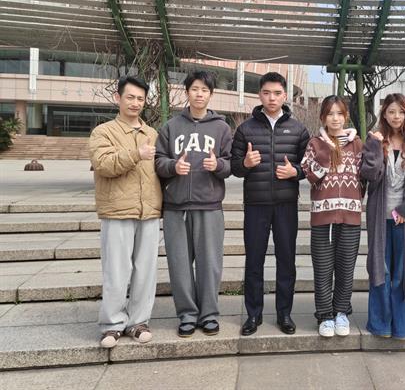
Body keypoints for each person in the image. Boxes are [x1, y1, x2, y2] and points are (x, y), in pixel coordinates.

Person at [231, 72, 310, 336]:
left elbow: (309, 166)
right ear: (259, 95)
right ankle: (253, 315)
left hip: (286, 205)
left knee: (286, 260)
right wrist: (245, 163)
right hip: (256, 204)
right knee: (254, 261)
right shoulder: (245, 129)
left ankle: (284, 314)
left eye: (277, 93)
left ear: (285, 95)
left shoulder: (298, 130)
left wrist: (295, 172)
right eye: (266, 93)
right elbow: (234, 167)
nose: (272, 98)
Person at [155, 71, 232, 338]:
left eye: (205, 90)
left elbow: (230, 164)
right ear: (187, 92)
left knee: (210, 264)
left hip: (209, 205)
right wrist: (173, 166)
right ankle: (187, 315)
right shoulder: (170, 126)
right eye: (195, 89)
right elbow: (158, 161)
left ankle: (209, 315)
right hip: (176, 207)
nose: (199, 94)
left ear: (211, 94)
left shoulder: (222, 128)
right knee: (179, 264)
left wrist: (217, 165)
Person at [89, 76, 162, 348]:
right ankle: (112, 324)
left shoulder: (152, 133)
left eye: (140, 99)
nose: (135, 103)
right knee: (116, 270)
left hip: (149, 210)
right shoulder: (103, 132)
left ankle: (139, 322)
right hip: (117, 210)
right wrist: (135, 154)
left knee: (146, 271)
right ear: (118, 98)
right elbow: (103, 164)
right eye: (130, 97)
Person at [361, 93, 405, 340]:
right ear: (384, 114)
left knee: (402, 272)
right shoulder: (375, 140)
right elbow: (369, 175)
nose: (396, 116)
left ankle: (401, 326)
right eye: (391, 111)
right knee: (380, 269)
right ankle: (380, 324)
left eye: (401, 112)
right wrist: (374, 147)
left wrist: (404, 209)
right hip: (379, 217)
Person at [300, 95, 364, 338]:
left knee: (346, 267)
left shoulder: (356, 144)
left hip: (350, 215)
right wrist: (328, 149)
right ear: (323, 117)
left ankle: (341, 312)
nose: (335, 118)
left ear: (345, 116)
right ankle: (325, 315)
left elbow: (364, 176)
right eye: (330, 114)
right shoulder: (315, 143)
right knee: (323, 268)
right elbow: (310, 174)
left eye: (339, 113)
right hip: (322, 216)